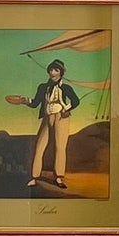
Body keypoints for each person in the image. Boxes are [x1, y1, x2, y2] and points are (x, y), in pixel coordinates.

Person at [22, 59, 81, 188]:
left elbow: (76, 101)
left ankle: (59, 177)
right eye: (51, 70)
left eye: (56, 70)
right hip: (46, 118)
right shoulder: (43, 87)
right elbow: (35, 103)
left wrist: (67, 109)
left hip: (61, 118)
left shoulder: (66, 87)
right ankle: (34, 177)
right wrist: (25, 100)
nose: (52, 72)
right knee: (39, 146)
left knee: (60, 147)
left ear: (61, 73)